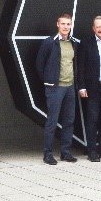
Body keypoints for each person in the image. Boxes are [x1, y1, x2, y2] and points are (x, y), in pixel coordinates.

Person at [36, 13, 80, 165]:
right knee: (52, 121)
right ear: (58, 24)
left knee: (69, 120)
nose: (66, 27)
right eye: (63, 24)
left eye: (68, 24)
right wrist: (49, 81)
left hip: (70, 87)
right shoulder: (50, 42)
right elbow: (39, 64)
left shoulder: (73, 43)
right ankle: (47, 154)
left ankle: (65, 152)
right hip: (55, 88)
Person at [76, 15, 101, 162]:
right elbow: (81, 67)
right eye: (98, 26)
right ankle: (92, 151)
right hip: (92, 88)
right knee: (92, 119)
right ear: (93, 28)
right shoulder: (86, 44)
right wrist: (81, 86)